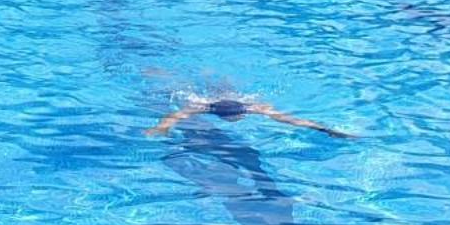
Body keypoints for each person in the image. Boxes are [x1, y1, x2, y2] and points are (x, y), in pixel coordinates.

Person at [147, 96, 353, 139]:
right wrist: (162, 127)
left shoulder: (252, 107)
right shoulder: (204, 107)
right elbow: (176, 114)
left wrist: (324, 129)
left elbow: (288, 119)